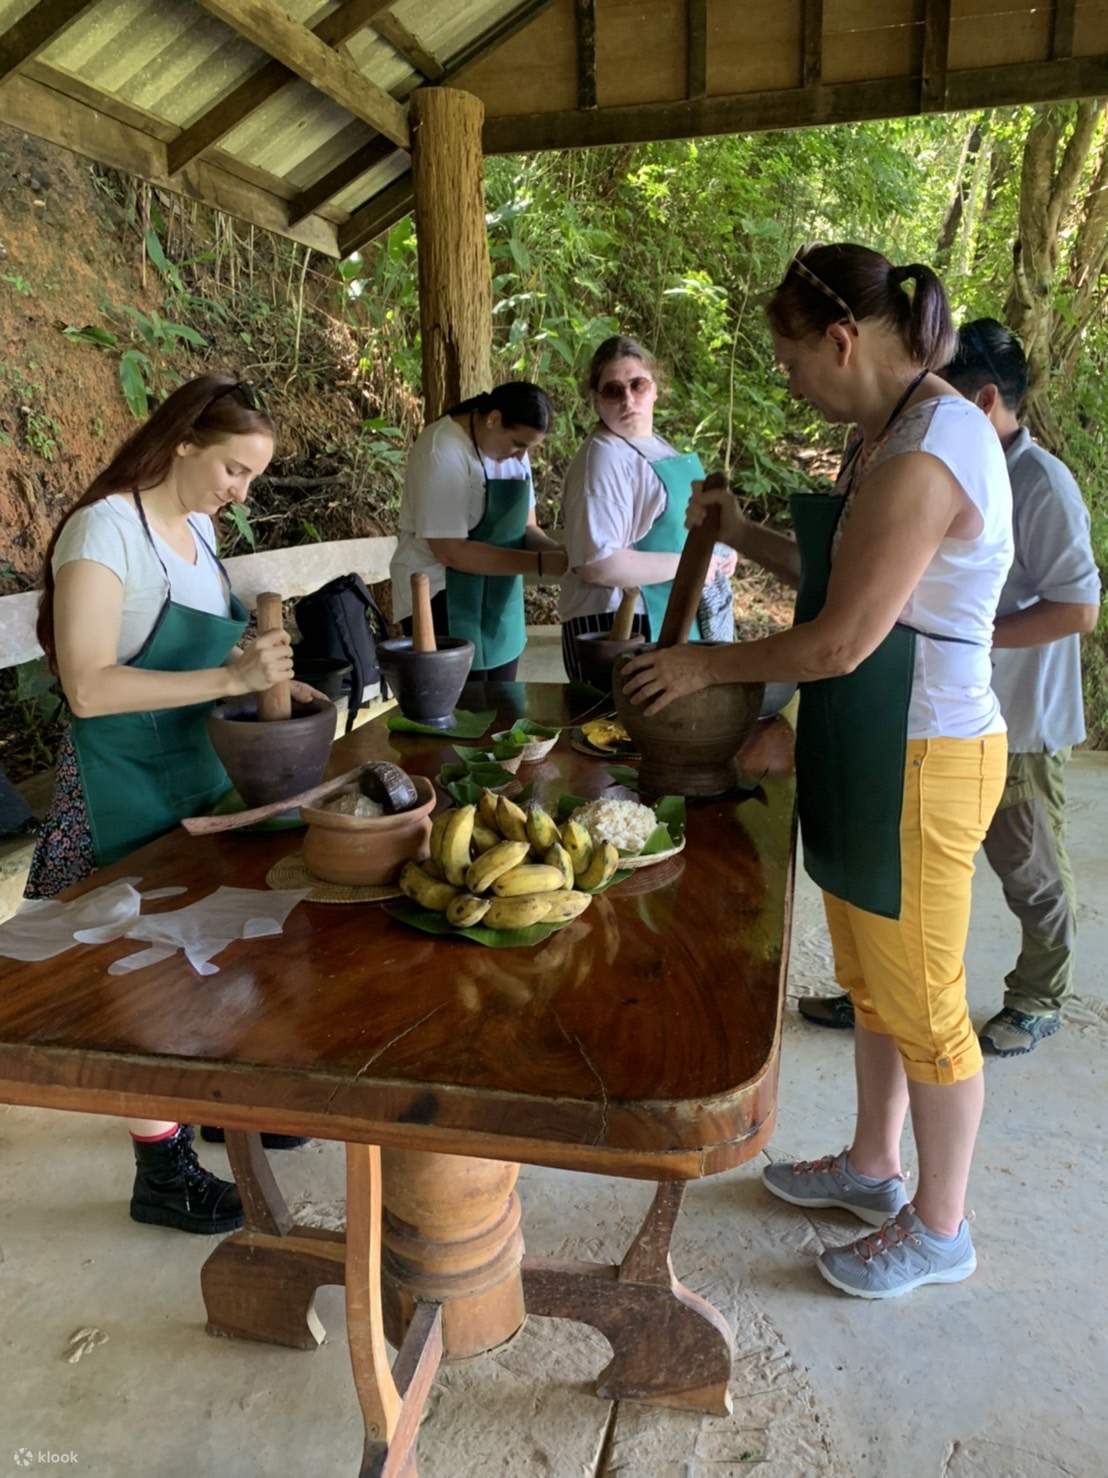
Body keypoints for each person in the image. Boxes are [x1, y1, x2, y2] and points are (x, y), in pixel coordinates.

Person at [622, 244, 1013, 1299]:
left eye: (793, 358)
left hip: (921, 752)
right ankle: (874, 1167)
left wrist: (706, 661)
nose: (790, 378)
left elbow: (842, 637)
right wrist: (743, 534)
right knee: (871, 984)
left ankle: (942, 1226)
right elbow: (846, 569)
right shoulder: (884, 434)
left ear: (842, 341)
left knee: (925, 1001)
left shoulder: (936, 448)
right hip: (865, 741)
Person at [28, 374, 319, 1235]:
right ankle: (163, 1171)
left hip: (196, 767)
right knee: (138, 982)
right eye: (234, 470)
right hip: (120, 779)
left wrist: (254, 665)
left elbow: (203, 651)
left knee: (215, 952)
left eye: (252, 479)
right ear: (185, 442)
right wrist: (230, 674)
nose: (241, 492)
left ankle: (226, 1100)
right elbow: (86, 683)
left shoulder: (195, 528)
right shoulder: (104, 530)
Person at [796, 320, 1101, 1054]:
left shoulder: (1038, 483)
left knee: (1025, 865)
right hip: (919, 707)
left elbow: (1079, 607)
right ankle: (877, 990)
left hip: (1015, 714)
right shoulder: (908, 458)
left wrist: (968, 635)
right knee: (904, 877)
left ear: (986, 399)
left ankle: (1036, 994)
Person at [558, 335, 737, 682]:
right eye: (613, 390)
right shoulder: (604, 458)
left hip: (671, 614)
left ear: (656, 389)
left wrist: (716, 554)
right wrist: (696, 565)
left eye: (637, 385)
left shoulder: (656, 446)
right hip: (618, 626)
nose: (628, 399)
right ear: (596, 400)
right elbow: (597, 564)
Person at [389, 382, 568, 681]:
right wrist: (538, 565)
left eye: (527, 449)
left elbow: (527, 527)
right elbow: (450, 551)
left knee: (504, 703)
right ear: (493, 419)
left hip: (498, 595)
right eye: (517, 444)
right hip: (440, 596)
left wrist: (556, 552)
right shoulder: (442, 449)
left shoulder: (515, 456)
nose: (520, 456)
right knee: (462, 709)